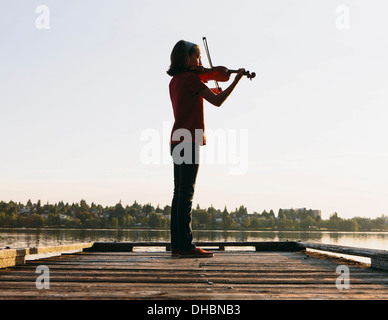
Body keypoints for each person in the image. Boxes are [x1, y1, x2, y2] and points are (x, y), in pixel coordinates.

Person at [167, 40, 245, 258]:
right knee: (187, 194)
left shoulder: (176, 81)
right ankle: (186, 246)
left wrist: (210, 79)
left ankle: (177, 244)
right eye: (197, 57)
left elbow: (200, 88)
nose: (201, 62)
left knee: (178, 194)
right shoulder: (192, 79)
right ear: (186, 58)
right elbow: (218, 100)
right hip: (189, 139)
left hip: (176, 139)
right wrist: (236, 80)